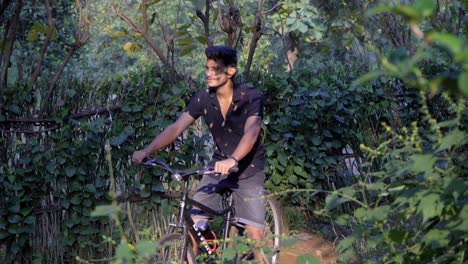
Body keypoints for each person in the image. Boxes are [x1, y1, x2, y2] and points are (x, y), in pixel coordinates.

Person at [132, 45, 266, 263]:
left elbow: (252, 132)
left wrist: (233, 159)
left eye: (215, 69)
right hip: (218, 166)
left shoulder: (251, 97)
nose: (208, 73)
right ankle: (205, 250)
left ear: (230, 71)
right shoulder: (204, 98)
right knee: (194, 223)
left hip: (248, 169)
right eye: (207, 68)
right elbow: (176, 128)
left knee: (255, 235)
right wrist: (147, 151)